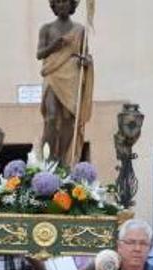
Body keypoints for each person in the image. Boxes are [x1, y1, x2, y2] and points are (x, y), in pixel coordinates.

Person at [37, 0, 94, 165]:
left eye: (66, 2)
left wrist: (86, 62)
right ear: (53, 6)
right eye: (58, 2)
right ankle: (48, 160)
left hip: (72, 76)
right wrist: (53, 46)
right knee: (51, 116)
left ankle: (62, 159)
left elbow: (85, 54)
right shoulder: (46, 29)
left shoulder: (80, 30)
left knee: (69, 118)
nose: (62, 5)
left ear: (72, 5)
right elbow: (39, 54)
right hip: (53, 74)